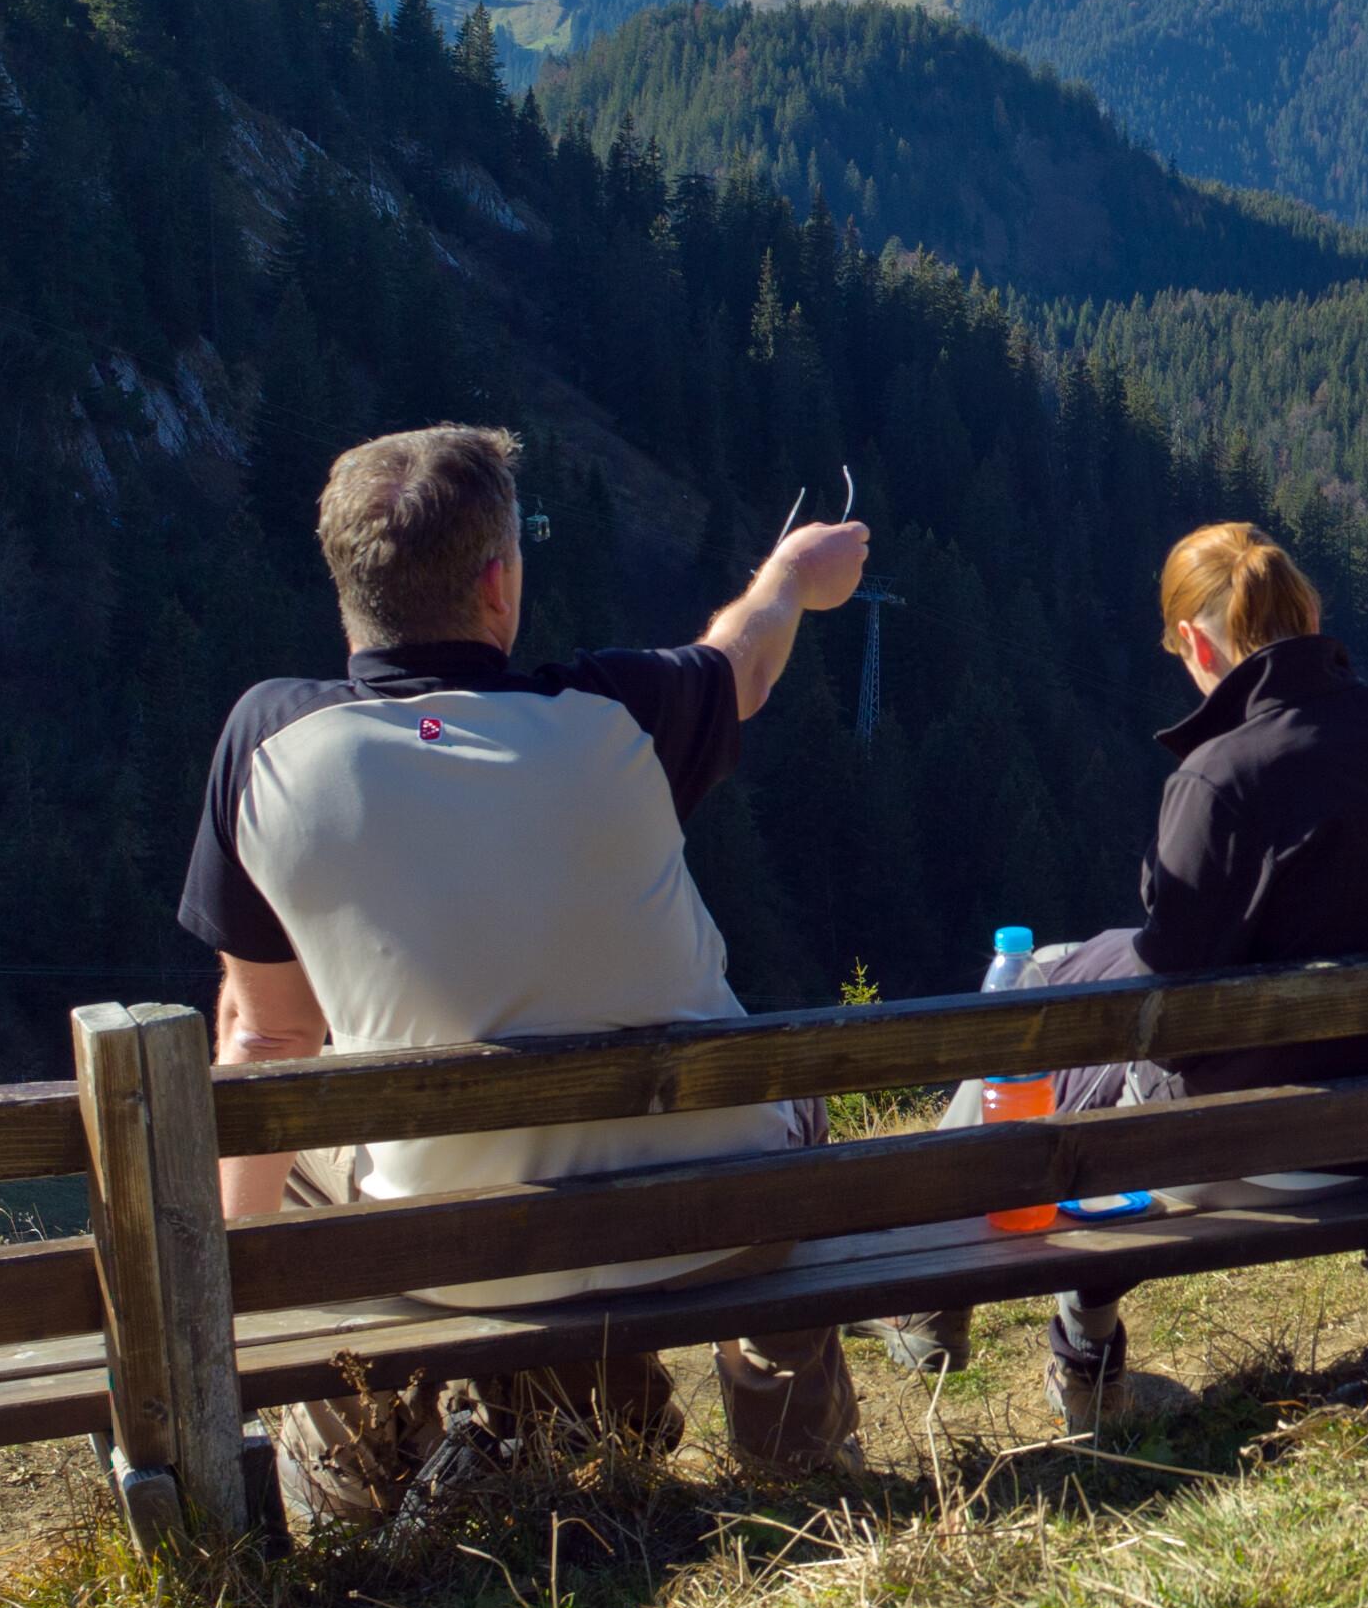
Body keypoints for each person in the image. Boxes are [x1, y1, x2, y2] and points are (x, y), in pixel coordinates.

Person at [184, 423, 874, 1530]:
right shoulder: (616, 716)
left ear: (350, 587)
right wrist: (793, 573)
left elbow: (266, 1038)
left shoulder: (269, 740)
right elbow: (743, 658)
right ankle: (797, 1462)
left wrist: (230, 1303)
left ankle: (353, 1483)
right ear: (498, 582)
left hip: (453, 1249)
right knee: (791, 1093)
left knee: (293, 1130)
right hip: (714, 1212)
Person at [913, 522, 1368, 1426]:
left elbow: (1164, 992)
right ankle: (986, 1320)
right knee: (1060, 982)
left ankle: (1068, 1353)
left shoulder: (1221, 776)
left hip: (1261, 1146)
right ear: (1311, 616)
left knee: (1052, 999)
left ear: (1198, 644)